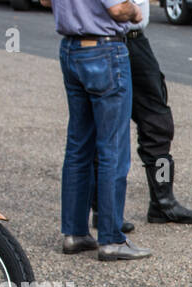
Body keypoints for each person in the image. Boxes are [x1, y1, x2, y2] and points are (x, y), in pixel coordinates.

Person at [88, 0, 192, 232]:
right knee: (106, 127)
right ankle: (104, 209)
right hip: (109, 39)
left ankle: (163, 201)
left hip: (133, 41)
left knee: (157, 123)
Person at [46, 0, 151, 261]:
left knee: (78, 146)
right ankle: (111, 238)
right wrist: (136, 11)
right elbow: (117, 8)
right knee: (112, 147)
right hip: (104, 49)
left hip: (70, 48)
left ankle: (74, 232)